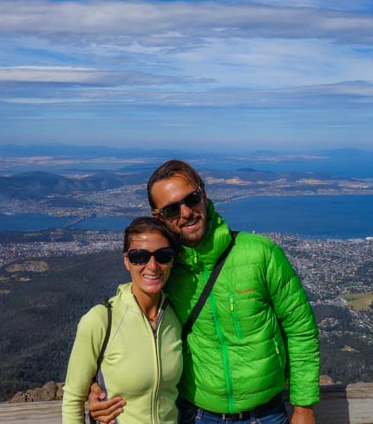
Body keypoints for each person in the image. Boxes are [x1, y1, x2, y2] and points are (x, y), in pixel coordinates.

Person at [90, 160, 320, 424]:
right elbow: (120, 325)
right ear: (159, 216)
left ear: (204, 194)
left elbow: (300, 329)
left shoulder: (260, 253)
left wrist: (303, 407)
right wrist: (91, 386)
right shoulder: (164, 268)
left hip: (267, 413)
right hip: (197, 415)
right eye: (172, 209)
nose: (186, 212)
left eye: (192, 199)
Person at [62, 216, 183, 424]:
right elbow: (73, 400)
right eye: (139, 256)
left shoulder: (176, 316)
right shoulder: (101, 320)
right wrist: (92, 390)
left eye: (163, 255)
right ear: (126, 261)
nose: (152, 266)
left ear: (172, 260)